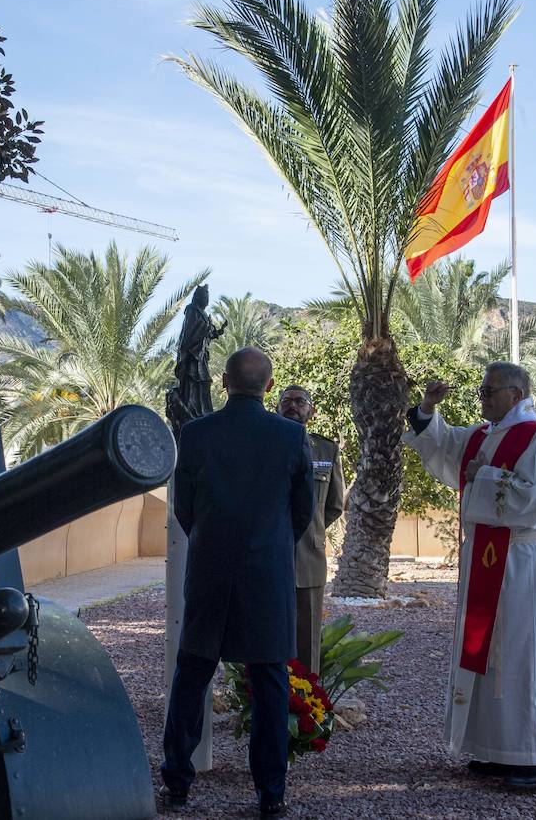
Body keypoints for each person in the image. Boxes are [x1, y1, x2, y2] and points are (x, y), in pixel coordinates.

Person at [404, 363, 536, 788]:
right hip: (483, 556)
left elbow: (533, 501)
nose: (481, 398)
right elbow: (442, 445)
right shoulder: (484, 434)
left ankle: (532, 754)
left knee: (519, 651)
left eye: (488, 391)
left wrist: (482, 477)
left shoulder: (535, 437)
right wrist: (427, 406)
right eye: (481, 391)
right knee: (484, 652)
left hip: (517, 560)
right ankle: (493, 748)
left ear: (515, 395)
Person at [161, 348, 314, 817]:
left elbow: (183, 505)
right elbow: (303, 509)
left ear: (224, 382)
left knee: (193, 672)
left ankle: (177, 781)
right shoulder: (291, 436)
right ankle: (271, 792)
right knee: (269, 680)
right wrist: (270, 545)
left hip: (209, 568)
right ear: (270, 387)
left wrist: (209, 540)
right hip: (267, 572)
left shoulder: (196, 434)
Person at [277, 384, 345, 674]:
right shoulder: (265, 444)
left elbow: (334, 505)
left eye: (300, 401)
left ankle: (307, 707)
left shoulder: (326, 449)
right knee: (267, 635)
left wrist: (310, 531)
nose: (293, 405)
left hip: (309, 559)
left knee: (308, 641)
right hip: (268, 558)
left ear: (311, 411)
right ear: (277, 408)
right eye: (286, 401)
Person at [171, 284, 225, 420]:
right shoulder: (192, 311)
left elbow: (208, 333)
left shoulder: (203, 314)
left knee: (204, 382)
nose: (206, 299)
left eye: (207, 296)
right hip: (192, 357)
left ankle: (204, 412)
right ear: (198, 297)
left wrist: (217, 331)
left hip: (201, 357)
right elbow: (189, 334)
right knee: (192, 383)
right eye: (204, 296)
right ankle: (192, 412)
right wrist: (205, 328)